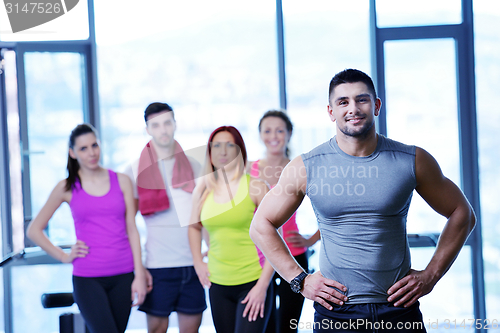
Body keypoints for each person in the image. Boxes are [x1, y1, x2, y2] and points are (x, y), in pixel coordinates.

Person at [250, 69, 476, 332]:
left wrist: (431, 275)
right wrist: (299, 279)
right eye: (343, 102)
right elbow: (261, 225)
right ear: (330, 111)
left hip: (398, 308)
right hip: (336, 312)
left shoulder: (411, 160)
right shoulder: (306, 166)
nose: (353, 109)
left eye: (362, 99)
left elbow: (462, 213)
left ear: (376, 105)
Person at [27, 123, 148, 333]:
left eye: (94, 145)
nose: (91, 153)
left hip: (124, 275)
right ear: (72, 153)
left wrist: (139, 273)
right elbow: (34, 230)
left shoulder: (122, 181)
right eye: (83, 148)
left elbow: (132, 229)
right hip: (88, 279)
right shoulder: (66, 187)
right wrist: (64, 256)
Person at [124, 102, 207, 333]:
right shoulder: (132, 172)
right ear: (147, 129)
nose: (163, 129)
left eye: (167, 123)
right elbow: (128, 225)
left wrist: (209, 255)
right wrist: (139, 270)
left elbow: (205, 218)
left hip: (193, 265)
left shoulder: (195, 165)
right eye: (156, 125)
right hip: (157, 267)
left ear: (175, 124)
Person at [188, 126, 274, 333]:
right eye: (216, 146)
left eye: (230, 145)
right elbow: (193, 227)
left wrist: (262, 287)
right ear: (209, 152)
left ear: (240, 151)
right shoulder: (202, 190)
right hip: (218, 285)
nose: (223, 151)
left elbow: (276, 242)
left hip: (253, 281)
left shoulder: (257, 187)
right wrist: (198, 262)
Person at [248, 110, 320, 333]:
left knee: (289, 326)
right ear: (260, 135)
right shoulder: (249, 169)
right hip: (260, 258)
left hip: (295, 257)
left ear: (289, 134)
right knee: (265, 326)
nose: (274, 136)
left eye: (280, 130)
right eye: (267, 130)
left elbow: (330, 210)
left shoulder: (300, 167)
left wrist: (310, 240)